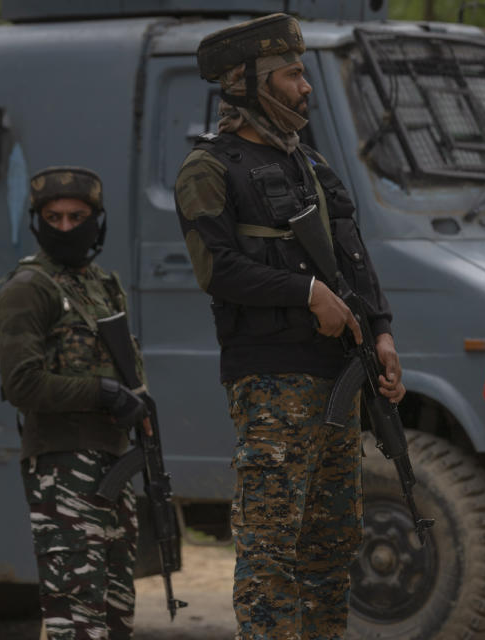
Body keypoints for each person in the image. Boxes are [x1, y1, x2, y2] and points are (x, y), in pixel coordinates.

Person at [174, 14, 406, 639]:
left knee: (332, 547)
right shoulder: (210, 168)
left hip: (338, 379)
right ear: (248, 82)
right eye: (293, 74)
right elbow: (217, 268)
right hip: (271, 380)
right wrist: (305, 293)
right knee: (272, 549)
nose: (306, 87)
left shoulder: (311, 165)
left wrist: (380, 331)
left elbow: (353, 253)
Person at [0, 166, 151, 640]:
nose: (65, 227)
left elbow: (126, 367)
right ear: (38, 221)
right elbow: (22, 385)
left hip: (113, 464)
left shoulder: (104, 285)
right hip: (62, 469)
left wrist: (139, 406)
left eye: (76, 217)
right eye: (53, 217)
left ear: (96, 221)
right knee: (76, 623)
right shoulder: (27, 289)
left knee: (115, 618)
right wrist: (100, 393)